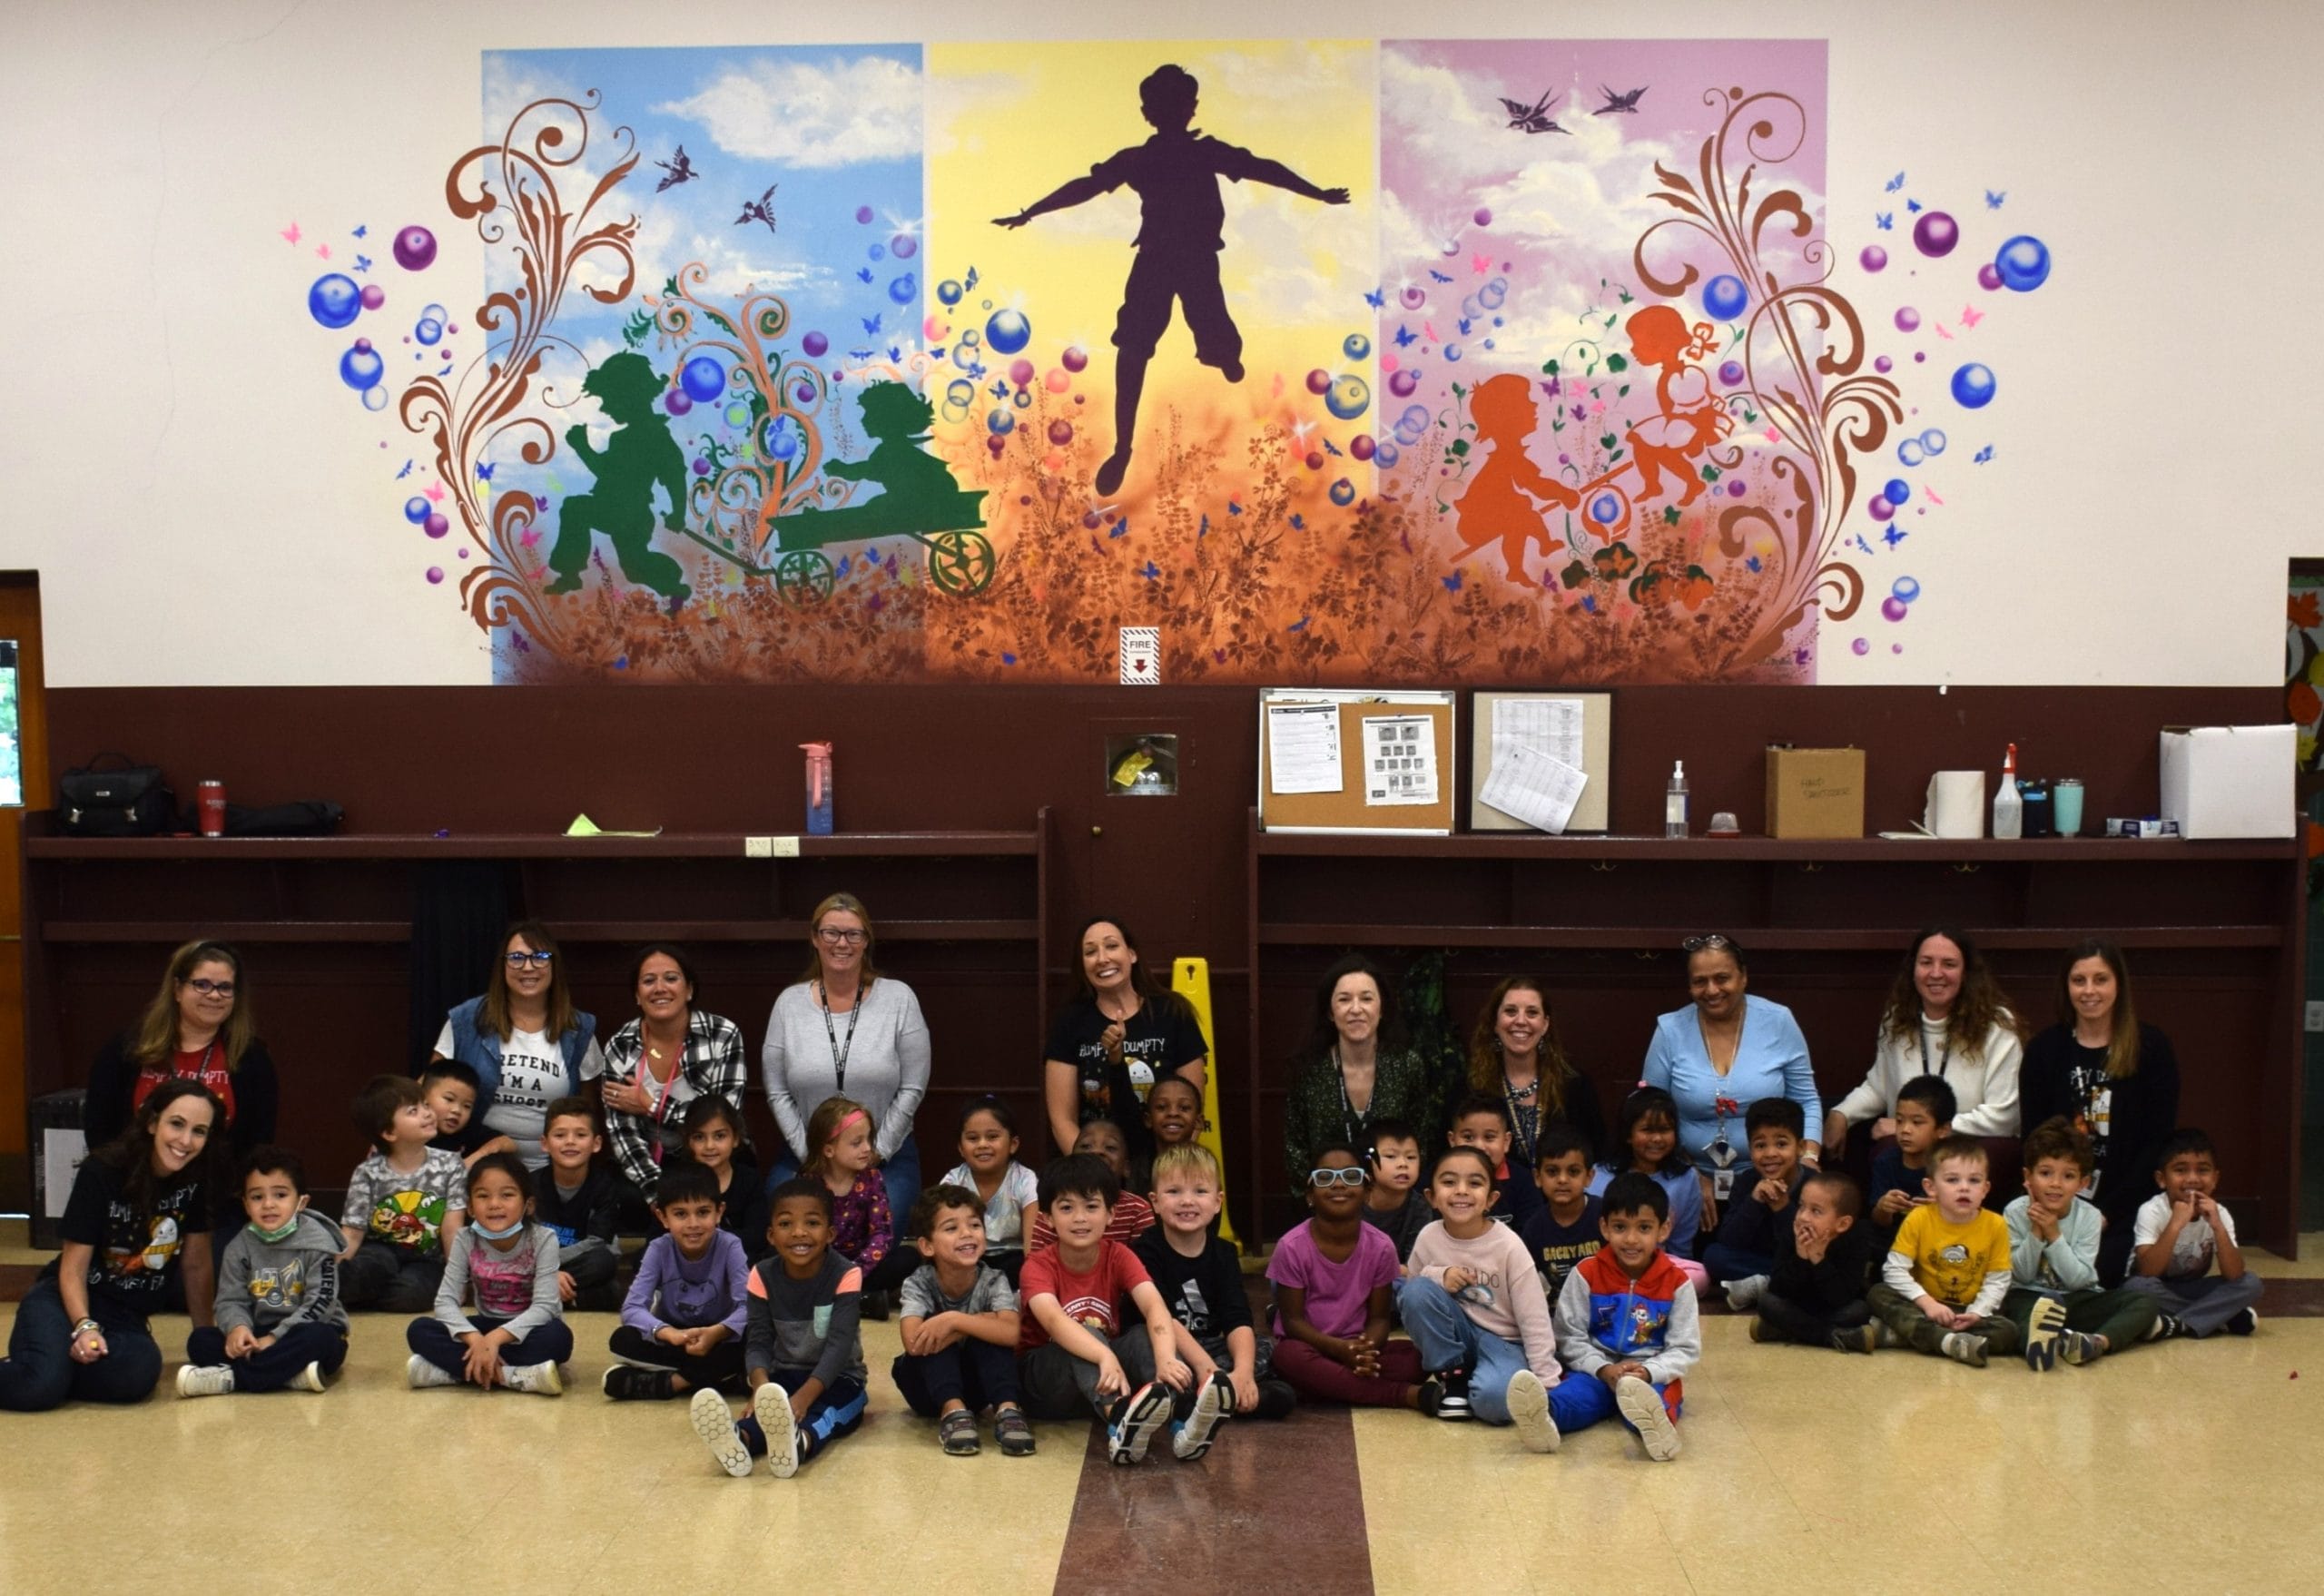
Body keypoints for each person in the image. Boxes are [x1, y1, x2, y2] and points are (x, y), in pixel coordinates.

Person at [993, 62, 1351, 497]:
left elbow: (1264, 169)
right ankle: (1123, 446)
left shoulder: (1205, 152)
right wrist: (1032, 211)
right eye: (1160, 104)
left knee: (1216, 341)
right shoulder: (1140, 159)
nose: (1168, 111)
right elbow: (1084, 186)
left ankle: (1225, 355)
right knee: (1132, 346)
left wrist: (1317, 193)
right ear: (1149, 112)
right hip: (1155, 262)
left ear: (1190, 108)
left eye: (1176, 103)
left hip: (1197, 260)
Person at [0, 1081, 224, 1412]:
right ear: (152, 1123)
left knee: (140, 1373)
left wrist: (206, 1338)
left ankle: (47, 1363)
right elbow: (72, 1268)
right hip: (64, 1301)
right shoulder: (102, 1171)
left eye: (199, 1131)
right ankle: (45, 1366)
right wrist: (84, 1326)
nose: (185, 1141)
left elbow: (196, 1265)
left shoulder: (198, 1177)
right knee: (39, 1390)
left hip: (124, 1317)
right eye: (176, 1124)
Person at [1015, 1153, 1193, 1465]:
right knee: (1085, 1334)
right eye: (1067, 1208)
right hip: (1046, 1383)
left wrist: (1165, 1358)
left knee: (1141, 1336)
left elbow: (1154, 1306)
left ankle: (1181, 1417)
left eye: (1091, 1206)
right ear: (1048, 1218)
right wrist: (1104, 1354)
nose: (1080, 1218)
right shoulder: (1037, 1266)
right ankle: (1121, 1418)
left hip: (1102, 1379)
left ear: (1111, 1214)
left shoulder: (1119, 1255)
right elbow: (1056, 1323)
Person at [761, 892, 931, 1219]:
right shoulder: (788, 1004)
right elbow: (777, 1091)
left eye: (854, 934)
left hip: (885, 1154)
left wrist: (875, 1152)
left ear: (866, 941)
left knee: (876, 1228)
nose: (843, 943)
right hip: (807, 1152)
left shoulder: (899, 999)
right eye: (831, 933)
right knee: (790, 1224)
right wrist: (811, 1155)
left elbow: (913, 1087)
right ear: (815, 938)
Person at [2020, 940, 2181, 1284]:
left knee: (2101, 1273)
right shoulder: (2044, 1050)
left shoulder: (2151, 1047)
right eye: (2079, 980)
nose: (2089, 991)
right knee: (2037, 1273)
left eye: (2101, 979)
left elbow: (2157, 1144)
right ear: (2066, 987)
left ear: (2118, 985)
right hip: (2059, 1197)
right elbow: (2035, 1138)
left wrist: (2107, 1213)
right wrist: (2060, 1206)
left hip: (2126, 1201)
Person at [689, 1177, 871, 1479]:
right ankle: (739, 1440)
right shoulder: (761, 1274)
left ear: (830, 1233)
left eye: (812, 1223)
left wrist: (803, 1398)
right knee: (766, 1416)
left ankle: (800, 1444)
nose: (799, 1232)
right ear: (771, 1236)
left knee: (824, 1415)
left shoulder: (846, 1274)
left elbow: (839, 1346)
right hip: (784, 1375)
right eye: (786, 1224)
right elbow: (758, 1340)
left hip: (841, 1378)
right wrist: (760, 1388)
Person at [1641, 934, 1821, 1210]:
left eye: (1722, 978)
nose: (1712, 990)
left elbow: (1806, 1100)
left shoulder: (1779, 1020)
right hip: (1687, 1175)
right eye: (1700, 981)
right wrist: (1687, 1175)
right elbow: (1651, 1113)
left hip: (1774, 1174)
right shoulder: (1669, 1030)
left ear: (1743, 977)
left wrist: (1808, 1158)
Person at [1399, 1146, 1562, 1444]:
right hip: (1457, 1335)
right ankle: (1454, 1378)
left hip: (1504, 1342)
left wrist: (1546, 1384)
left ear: (1491, 1199)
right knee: (1415, 1292)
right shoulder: (1429, 1236)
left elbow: (1534, 1318)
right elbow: (1413, 1290)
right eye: (1449, 1182)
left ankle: (1482, 1378)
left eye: (1474, 1183)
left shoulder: (1509, 1245)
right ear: (1432, 1197)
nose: (1461, 1191)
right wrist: (1440, 1274)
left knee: (1495, 1405)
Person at [1136, 1145, 1296, 1440]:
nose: (1187, 1201)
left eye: (1199, 1191)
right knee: (1158, 1367)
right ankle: (1208, 1401)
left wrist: (1243, 1373)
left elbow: (1237, 1318)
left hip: (1212, 1347)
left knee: (1275, 1370)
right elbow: (1162, 1317)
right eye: (1174, 1192)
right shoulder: (1147, 1249)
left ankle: (1217, 1399)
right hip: (1168, 1347)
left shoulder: (1223, 1253)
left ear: (1218, 1201)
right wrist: (1205, 1369)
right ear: (1155, 1202)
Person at [1827, 927, 2024, 1161]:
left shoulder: (1996, 1026)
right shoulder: (1898, 1020)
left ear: (1967, 973)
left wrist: (1926, 1130)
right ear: (1913, 969)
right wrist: (1842, 1113)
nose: (1936, 973)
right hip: (1910, 1150)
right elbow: (1880, 1087)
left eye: (1949, 964)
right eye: (1926, 962)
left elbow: (2004, 1116)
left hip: (1971, 1150)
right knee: (1883, 1152)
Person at [1549, 1173, 1700, 1463]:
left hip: (1648, 1374)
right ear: (1604, 1227)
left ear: (1663, 1229)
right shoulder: (1586, 1274)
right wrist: (1603, 1369)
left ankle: (1658, 1430)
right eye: (1620, 1227)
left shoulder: (1677, 1283)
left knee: (1652, 1402)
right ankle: (1544, 1417)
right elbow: (1569, 1336)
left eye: (1644, 1228)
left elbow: (1684, 1348)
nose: (1631, 1239)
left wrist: (1648, 1372)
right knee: (1571, 1397)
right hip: (1596, 1372)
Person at [430, 921, 605, 1171]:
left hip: (553, 1166)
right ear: (502, 965)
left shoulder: (579, 1029)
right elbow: (430, 1086)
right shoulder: (467, 1019)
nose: (528, 967)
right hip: (476, 1160)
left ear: (554, 965)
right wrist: (391, 1135)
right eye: (516, 958)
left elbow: (586, 1109)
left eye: (540, 957)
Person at [84, 940, 277, 1165]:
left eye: (225, 987)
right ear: (177, 990)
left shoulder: (253, 1057)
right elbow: (98, 1128)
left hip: (218, 1192)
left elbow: (259, 1142)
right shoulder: (126, 1049)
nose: (215, 995)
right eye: (202, 984)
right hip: (135, 1187)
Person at [177, 1147, 349, 1397]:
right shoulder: (238, 1247)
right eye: (257, 1197)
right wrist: (237, 1328)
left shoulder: (318, 1243)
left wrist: (275, 1338)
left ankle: (232, 1379)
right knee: (201, 1341)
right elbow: (230, 1300)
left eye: (280, 1195)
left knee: (319, 1339)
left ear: (302, 1202)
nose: (268, 1205)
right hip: (257, 1333)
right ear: (245, 1204)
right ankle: (288, 1375)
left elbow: (320, 1305)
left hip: (305, 1332)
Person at [1271, 1146, 1430, 1408]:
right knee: (1287, 1356)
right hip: (1310, 1345)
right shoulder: (1291, 1246)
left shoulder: (1381, 1246)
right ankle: (1403, 1395)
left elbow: (1379, 1319)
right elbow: (1293, 1323)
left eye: (1351, 1176)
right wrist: (1339, 1351)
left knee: (1418, 1361)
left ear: (1367, 1193)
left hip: (1358, 1345)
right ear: (1310, 1195)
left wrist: (1361, 1350)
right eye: (1325, 1177)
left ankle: (1322, 1386)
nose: (1339, 1185)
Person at [1043, 915, 1206, 1164]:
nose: (1102, 958)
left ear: (1131, 954)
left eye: (1111, 946)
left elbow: (1193, 1108)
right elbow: (1062, 1119)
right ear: (1082, 965)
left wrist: (1168, 1171)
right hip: (1095, 1174)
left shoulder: (1172, 1012)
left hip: (1164, 1168)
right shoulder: (1070, 1021)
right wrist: (1092, 1174)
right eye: (1090, 952)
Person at [404, 1152, 571, 1395]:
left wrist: (493, 1341)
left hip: (528, 1328)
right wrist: (475, 1339)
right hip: (484, 1326)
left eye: (507, 1195)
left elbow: (544, 1307)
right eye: (483, 1196)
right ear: (471, 1207)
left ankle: (452, 1372)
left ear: (528, 1205)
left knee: (558, 1339)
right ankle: (512, 1377)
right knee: (419, 1330)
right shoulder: (465, 1239)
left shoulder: (544, 1239)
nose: (494, 1204)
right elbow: (445, 1301)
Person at [891, 1184, 1036, 1457]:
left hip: (979, 1386)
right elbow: (913, 1341)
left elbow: (1011, 1333)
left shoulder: (994, 1279)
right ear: (927, 1245)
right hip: (927, 1392)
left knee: (988, 1338)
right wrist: (971, 1322)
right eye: (951, 1228)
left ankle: (1007, 1409)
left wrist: (955, 1322)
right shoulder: (919, 1282)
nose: (967, 1234)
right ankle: (953, 1411)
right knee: (933, 1334)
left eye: (974, 1225)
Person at [599, 942, 750, 1205]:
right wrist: (658, 1192)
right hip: (650, 1165)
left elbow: (721, 1121)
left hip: (716, 1159)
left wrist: (651, 1105)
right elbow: (623, 1133)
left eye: (671, 978)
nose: (660, 988)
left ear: (689, 989)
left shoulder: (722, 1035)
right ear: (637, 994)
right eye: (648, 981)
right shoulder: (621, 1045)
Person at [2005, 1118, 2160, 1370]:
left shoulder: (2089, 1216)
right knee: (2017, 1315)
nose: (2055, 1184)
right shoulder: (2014, 1211)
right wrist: (2036, 1230)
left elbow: (2078, 1280)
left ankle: (2094, 1342)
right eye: (2045, 1173)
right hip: (2028, 1296)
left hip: (2076, 1298)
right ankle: (2038, 1343)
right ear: (2028, 1176)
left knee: (2145, 1302)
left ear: (2083, 1183)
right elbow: (2021, 1275)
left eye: (2068, 1176)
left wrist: (2054, 1234)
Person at [1282, 953, 1435, 1191]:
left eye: (1366, 999)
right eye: (1344, 1000)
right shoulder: (1309, 1070)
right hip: (1328, 1202)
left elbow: (1420, 1141)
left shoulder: (1407, 1065)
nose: (1356, 1009)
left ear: (1382, 1008)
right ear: (1330, 1012)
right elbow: (1296, 1150)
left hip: (1392, 1204)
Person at [604, 1158, 751, 1402]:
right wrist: (667, 1333)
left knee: (753, 1339)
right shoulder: (659, 1249)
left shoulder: (730, 1246)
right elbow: (631, 1308)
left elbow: (748, 1307)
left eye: (703, 1212)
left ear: (719, 1212)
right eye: (680, 1214)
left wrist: (716, 1332)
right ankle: (719, 1379)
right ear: (662, 1217)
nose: (693, 1224)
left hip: (720, 1339)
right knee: (622, 1340)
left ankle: (673, 1383)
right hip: (675, 1340)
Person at [1867, 1135, 2020, 1366]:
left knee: (2008, 1331)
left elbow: (1998, 1279)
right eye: (1952, 1180)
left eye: (1974, 1181)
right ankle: (1948, 1341)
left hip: (1967, 1312)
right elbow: (1894, 1270)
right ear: (1931, 1187)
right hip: (1923, 1305)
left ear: (1986, 1189)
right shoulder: (1918, 1218)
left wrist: (1978, 1312)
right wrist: (1928, 1304)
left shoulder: (1996, 1225)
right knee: (1878, 1292)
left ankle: (1903, 1335)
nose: (1964, 1188)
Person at [338, 1074, 468, 1313]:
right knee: (364, 1271)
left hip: (426, 1257)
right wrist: (331, 1275)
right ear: (389, 1133)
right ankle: (340, 1290)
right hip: (380, 1249)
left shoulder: (451, 1165)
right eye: (413, 1111)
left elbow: (452, 1227)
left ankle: (362, 1296)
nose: (427, 1113)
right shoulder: (368, 1172)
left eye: (426, 1105)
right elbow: (352, 1233)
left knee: (413, 1293)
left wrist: (457, 1280)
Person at [2123, 1129, 2263, 1339]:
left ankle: (2176, 1324)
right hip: (2155, 1288)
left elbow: (2234, 1274)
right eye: (2180, 1170)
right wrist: (2175, 1225)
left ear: (2215, 1179)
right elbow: (2148, 1271)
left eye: (2203, 1170)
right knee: (2134, 1289)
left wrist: (2217, 1226)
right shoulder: (2152, 1210)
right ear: (2162, 1179)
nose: (2192, 1179)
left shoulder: (2220, 1213)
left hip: (2193, 1287)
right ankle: (2219, 1316)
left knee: (2251, 1283)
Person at [1468, 976, 1604, 1180]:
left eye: (1532, 1013)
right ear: (1495, 1023)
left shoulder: (1575, 1085)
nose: (1521, 1021)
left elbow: (1597, 1153)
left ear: (1545, 1024)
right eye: (1510, 1011)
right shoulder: (1471, 1087)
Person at [1589, 1086, 1708, 1283]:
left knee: (1699, 1277)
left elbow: (1681, 1248)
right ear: (1628, 1134)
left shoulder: (1686, 1178)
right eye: (1647, 1130)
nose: (1657, 1139)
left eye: (1665, 1130)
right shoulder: (1599, 1176)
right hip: (1610, 1264)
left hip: (1659, 1269)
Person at [1750, 1170, 1877, 1353]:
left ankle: (1784, 1330)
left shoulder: (1857, 1239)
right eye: (1801, 1206)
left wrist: (1818, 1259)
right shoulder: (1793, 1232)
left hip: (1833, 1309)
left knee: (1860, 1310)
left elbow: (1841, 1297)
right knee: (1766, 1302)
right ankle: (1834, 1336)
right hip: (1797, 1305)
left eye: (1816, 1211)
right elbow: (1778, 1289)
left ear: (1842, 1224)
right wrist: (1801, 1258)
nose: (1803, 1217)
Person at [803, 1096, 904, 1306]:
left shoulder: (873, 1178)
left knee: (907, 1258)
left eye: (868, 1139)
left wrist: (855, 1270)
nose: (867, 1148)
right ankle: (863, 1300)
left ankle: (843, 1295)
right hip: (820, 1263)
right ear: (828, 1149)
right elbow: (805, 1233)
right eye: (857, 1143)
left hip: (861, 1264)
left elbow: (881, 1234)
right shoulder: (810, 1183)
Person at [1704, 1098, 1807, 1305]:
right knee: (1714, 1256)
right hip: (1759, 1263)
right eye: (1760, 1145)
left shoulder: (1814, 1185)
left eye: (1781, 1144)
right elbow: (1729, 1240)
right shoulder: (1745, 1182)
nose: (1770, 1154)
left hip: (1801, 1261)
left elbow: (1805, 1243)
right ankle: (1772, 1283)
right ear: (1750, 1149)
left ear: (1801, 1147)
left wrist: (1783, 1207)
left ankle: (1770, 1285)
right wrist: (1755, 1200)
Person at [937, 1096, 1040, 1287]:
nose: (982, 1144)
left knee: (1019, 1269)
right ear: (960, 1148)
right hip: (968, 1256)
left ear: (1013, 1144)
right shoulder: (953, 1181)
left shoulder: (1025, 1180)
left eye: (992, 1137)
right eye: (973, 1138)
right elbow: (943, 1235)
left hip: (1012, 1257)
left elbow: (1032, 1246)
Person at [533, 1097, 620, 1312]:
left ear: (596, 1143)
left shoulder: (605, 1185)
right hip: (536, 1264)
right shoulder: (530, 1184)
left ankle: (545, 1294)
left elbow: (598, 1242)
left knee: (604, 1262)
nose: (570, 1141)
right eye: (560, 1135)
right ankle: (566, 1297)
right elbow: (521, 1239)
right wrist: (546, 1271)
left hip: (578, 1263)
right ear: (545, 1143)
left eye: (580, 1135)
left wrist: (549, 1270)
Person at [1029, 1119, 1156, 1249]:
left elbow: (1144, 1265)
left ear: (1126, 1167)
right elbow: (1036, 1262)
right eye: (1086, 1146)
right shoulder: (1054, 1206)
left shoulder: (1138, 1210)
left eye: (1110, 1147)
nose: (1097, 1152)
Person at [1867, 1075, 1955, 1250]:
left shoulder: (1952, 1168)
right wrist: (1884, 1207)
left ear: (1943, 1130)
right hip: (1895, 1244)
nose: (1905, 1130)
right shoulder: (1885, 1162)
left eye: (1917, 1122)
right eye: (1899, 1121)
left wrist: (1940, 1210)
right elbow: (1878, 1221)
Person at [1521, 1126, 1602, 1313]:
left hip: (1605, 1311)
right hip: (1555, 1318)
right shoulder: (1534, 1228)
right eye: (1552, 1172)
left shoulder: (1604, 1215)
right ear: (1537, 1177)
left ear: (1589, 1177)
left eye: (1573, 1172)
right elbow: (1529, 1286)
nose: (1562, 1179)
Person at [678, 1097, 767, 1261]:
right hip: (687, 1260)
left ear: (735, 1139)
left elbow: (758, 1236)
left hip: (736, 1259)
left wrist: (709, 1238)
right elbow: (658, 1237)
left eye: (719, 1136)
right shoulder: (678, 1181)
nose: (709, 1145)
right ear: (688, 1141)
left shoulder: (748, 1180)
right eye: (699, 1137)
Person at [1447, 1093, 1540, 1230]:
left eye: (1489, 1137)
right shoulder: (1436, 1179)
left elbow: (1529, 1237)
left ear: (1506, 1141)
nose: (1479, 1146)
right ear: (1452, 1140)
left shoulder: (1524, 1182)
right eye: (1468, 1137)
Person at [1358, 1118, 1430, 1263]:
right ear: (1367, 1161)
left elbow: (1415, 1267)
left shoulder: (1420, 1208)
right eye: (1391, 1156)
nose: (1403, 1164)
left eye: (1411, 1157)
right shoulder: (1353, 1201)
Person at [1137, 1074, 1207, 1189]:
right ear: (1148, 1119)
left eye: (1184, 1108)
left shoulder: (1207, 1168)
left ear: (1198, 1121)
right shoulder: (1137, 1170)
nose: (1173, 1113)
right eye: (1161, 1107)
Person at [419, 1060, 486, 1162]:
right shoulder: (407, 1128)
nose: (457, 1111)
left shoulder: (468, 1130)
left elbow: (507, 1143)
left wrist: (473, 1159)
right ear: (423, 1096)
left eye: (467, 1106)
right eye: (449, 1099)